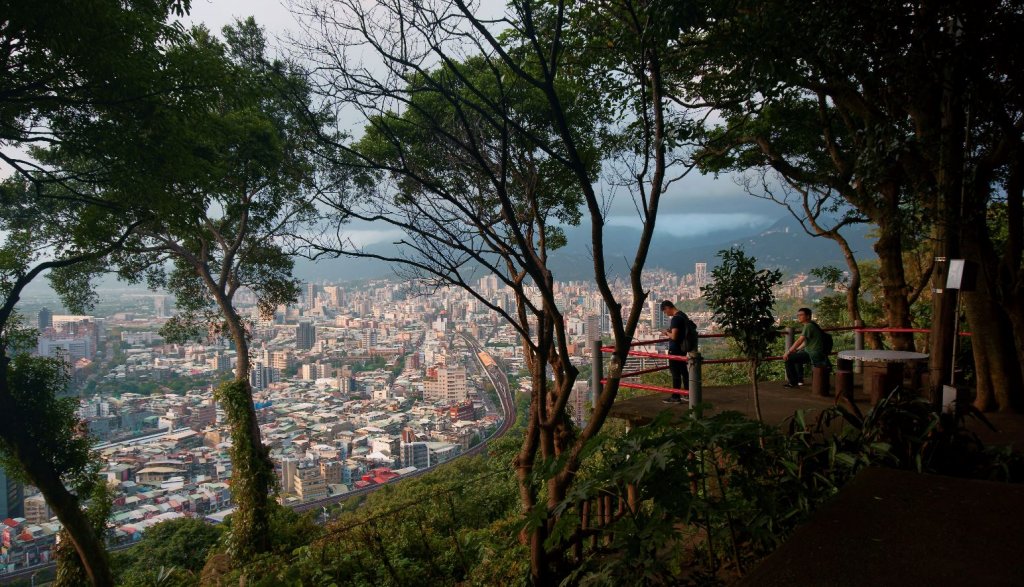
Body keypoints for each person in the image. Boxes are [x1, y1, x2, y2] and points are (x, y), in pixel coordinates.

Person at [783, 307, 828, 388]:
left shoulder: (808, 326)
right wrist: (796, 349)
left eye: (801, 315)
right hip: (815, 352)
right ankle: (799, 380)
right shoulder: (812, 324)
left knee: (789, 358)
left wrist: (788, 352)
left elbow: (800, 340)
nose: (799, 317)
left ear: (807, 316)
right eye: (798, 315)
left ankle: (793, 382)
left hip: (813, 353)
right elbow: (805, 342)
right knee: (797, 356)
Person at [660, 300, 689, 403]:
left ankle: (675, 396)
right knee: (684, 371)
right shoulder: (683, 315)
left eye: (664, 311)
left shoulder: (675, 319)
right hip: (682, 349)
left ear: (668, 308)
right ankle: (688, 393)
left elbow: (675, 336)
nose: (665, 314)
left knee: (676, 373)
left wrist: (667, 333)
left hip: (675, 349)